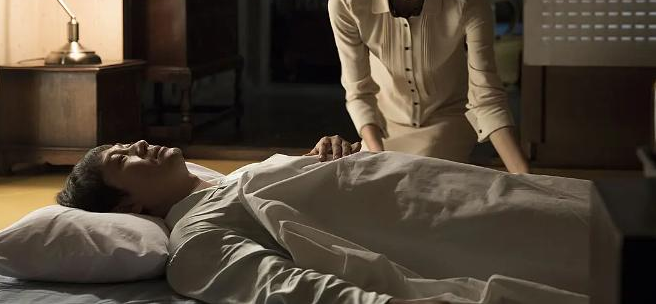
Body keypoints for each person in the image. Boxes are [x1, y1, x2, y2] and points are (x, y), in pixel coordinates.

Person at [56, 139, 589, 304]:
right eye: (123, 158)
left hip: (441, 184)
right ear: (130, 209)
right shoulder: (196, 239)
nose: (140, 143)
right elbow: (286, 288)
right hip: (436, 224)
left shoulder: (229, 180)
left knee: (573, 208)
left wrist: (326, 155)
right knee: (571, 238)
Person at [328, 0, 528, 173]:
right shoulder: (348, 0)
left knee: (423, 175)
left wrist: (524, 176)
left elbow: (486, 96)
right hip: (382, 130)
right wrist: (376, 155)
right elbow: (359, 91)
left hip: (447, 125)